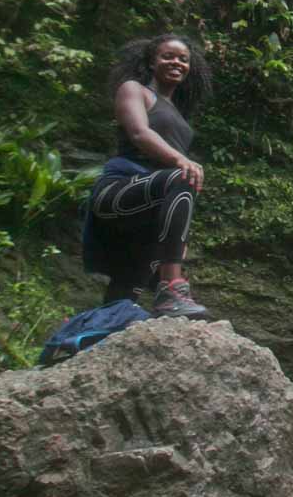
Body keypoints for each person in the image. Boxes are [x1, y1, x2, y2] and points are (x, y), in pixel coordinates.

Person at [88, 33, 211, 318]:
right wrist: (181, 159)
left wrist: (175, 240)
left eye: (183, 59)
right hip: (120, 189)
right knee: (183, 176)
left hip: (151, 206)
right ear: (152, 62)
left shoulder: (179, 114)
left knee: (127, 287)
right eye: (168, 56)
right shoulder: (135, 90)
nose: (176, 62)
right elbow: (139, 132)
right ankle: (172, 287)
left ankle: (93, 335)